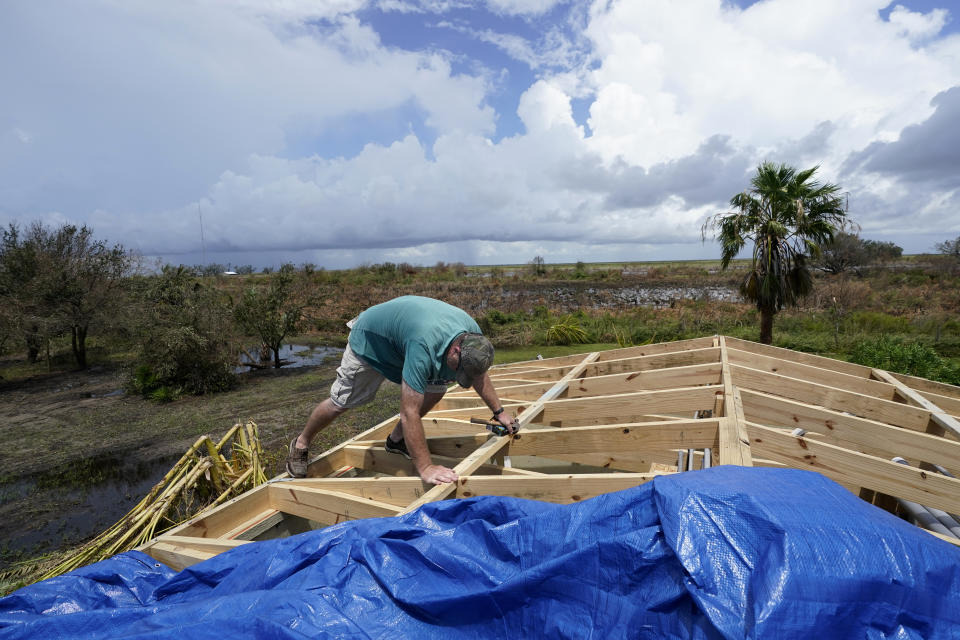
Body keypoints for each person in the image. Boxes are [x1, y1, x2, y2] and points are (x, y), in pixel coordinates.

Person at [287, 295, 518, 485]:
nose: (458, 376)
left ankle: (396, 441)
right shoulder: (423, 345)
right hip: (370, 341)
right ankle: (301, 443)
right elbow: (409, 412)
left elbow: (478, 375)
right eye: (458, 369)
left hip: (401, 342)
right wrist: (426, 467)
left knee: (437, 390)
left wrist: (499, 412)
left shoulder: (473, 337)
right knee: (341, 403)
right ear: (456, 350)